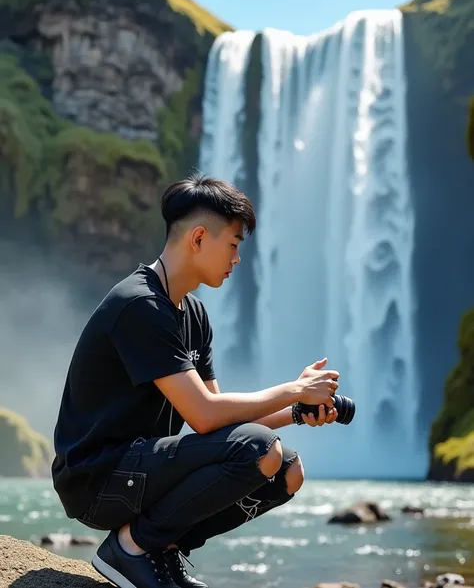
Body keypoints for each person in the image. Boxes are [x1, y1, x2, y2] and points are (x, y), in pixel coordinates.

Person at [51, 173, 340, 588]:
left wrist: (296, 410)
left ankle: (162, 550)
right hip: (97, 480)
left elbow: (221, 423)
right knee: (260, 451)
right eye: (235, 245)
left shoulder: (195, 315)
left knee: (287, 470)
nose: (238, 259)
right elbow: (205, 416)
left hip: (142, 468)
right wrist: (294, 388)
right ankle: (131, 548)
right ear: (199, 238)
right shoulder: (139, 305)